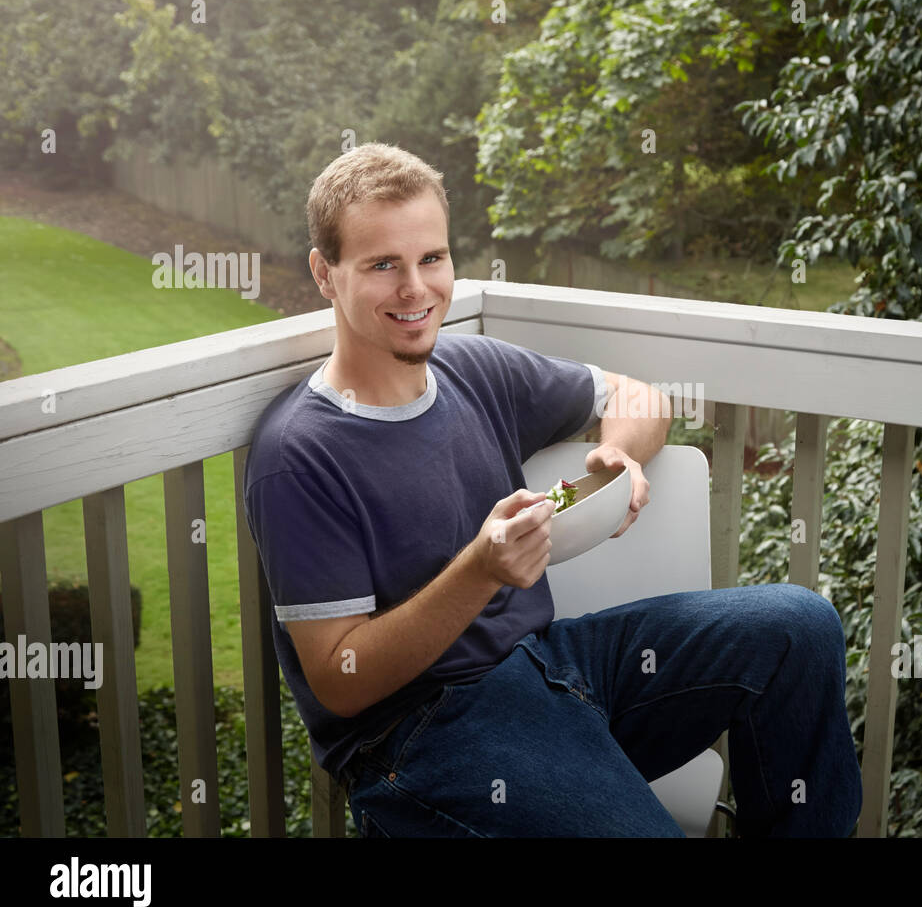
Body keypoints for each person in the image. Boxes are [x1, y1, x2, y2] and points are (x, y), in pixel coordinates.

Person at [242, 142, 862, 837]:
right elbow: (341, 679)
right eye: (382, 264)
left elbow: (640, 398)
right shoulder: (298, 453)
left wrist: (618, 456)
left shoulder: (475, 368)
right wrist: (479, 571)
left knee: (799, 629)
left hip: (553, 666)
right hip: (421, 733)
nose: (416, 289)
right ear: (325, 275)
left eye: (432, 258)